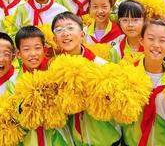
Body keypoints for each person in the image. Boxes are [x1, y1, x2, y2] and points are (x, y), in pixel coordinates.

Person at [51, 12, 120, 146]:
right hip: (75, 140)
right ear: (55, 39)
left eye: (70, 28)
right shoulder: (54, 70)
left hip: (106, 140)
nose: (65, 33)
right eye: (59, 30)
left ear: (82, 35)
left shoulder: (100, 66)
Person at [14, 26, 74, 145]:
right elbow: (13, 115)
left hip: (59, 139)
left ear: (45, 50)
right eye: (26, 49)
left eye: (37, 48)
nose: (33, 54)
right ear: (18, 54)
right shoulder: (14, 80)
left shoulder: (56, 73)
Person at [123, 19, 165, 146]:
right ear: (141, 40)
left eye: (162, 40)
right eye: (151, 38)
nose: (156, 45)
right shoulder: (126, 75)